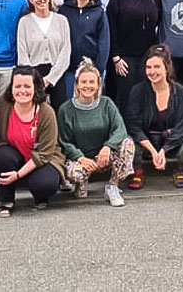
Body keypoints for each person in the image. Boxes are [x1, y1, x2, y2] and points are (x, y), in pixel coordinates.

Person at [0, 66, 66, 217]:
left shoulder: (46, 112)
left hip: (42, 159)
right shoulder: (3, 104)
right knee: (0, 156)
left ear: (35, 87)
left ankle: (40, 196)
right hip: (14, 154)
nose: (22, 91)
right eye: (17, 86)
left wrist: (17, 175)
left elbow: (44, 154)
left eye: (27, 86)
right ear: (11, 88)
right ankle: (6, 201)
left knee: (45, 184)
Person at [57, 59, 135, 207]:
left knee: (127, 143)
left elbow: (120, 129)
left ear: (98, 84)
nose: (87, 86)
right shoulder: (66, 109)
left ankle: (113, 186)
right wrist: (80, 157)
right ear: (77, 85)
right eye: (83, 82)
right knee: (76, 175)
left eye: (91, 82)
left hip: (104, 157)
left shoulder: (106, 104)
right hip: (80, 159)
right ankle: (81, 183)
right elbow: (64, 141)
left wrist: (108, 146)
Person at [124, 45, 183, 189]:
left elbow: (182, 127)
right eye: (149, 67)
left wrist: (163, 150)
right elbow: (133, 126)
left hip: (171, 141)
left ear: (166, 68)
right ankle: (137, 172)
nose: (152, 71)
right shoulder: (138, 91)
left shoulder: (180, 92)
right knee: (128, 143)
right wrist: (152, 150)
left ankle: (180, 171)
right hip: (145, 142)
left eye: (157, 67)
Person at [106, 0, 162, 114]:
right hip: (125, 58)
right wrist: (115, 56)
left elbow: (160, 23)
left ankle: (145, 130)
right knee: (127, 97)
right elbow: (111, 27)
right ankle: (127, 132)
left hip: (148, 55)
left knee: (148, 95)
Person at [17, 0, 72, 108]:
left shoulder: (61, 20)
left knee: (60, 111)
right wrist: (34, 78)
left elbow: (65, 51)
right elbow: (22, 53)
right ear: (30, 0)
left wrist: (50, 79)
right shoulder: (24, 22)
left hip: (57, 74)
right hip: (33, 74)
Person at [59, 0, 111, 97]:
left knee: (91, 103)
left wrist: (98, 68)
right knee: (70, 104)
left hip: (92, 68)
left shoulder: (98, 12)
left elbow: (104, 42)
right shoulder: (64, 10)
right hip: (69, 69)